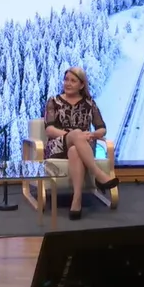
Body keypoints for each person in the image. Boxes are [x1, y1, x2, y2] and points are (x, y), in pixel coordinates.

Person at [43, 67, 119, 220]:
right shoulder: (54, 101)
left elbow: (102, 128)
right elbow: (49, 129)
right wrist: (73, 135)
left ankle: (76, 199)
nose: (68, 83)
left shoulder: (89, 103)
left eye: (73, 81)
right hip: (58, 145)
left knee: (74, 151)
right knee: (76, 135)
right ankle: (98, 173)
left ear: (82, 85)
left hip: (84, 146)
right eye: (66, 80)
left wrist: (92, 134)